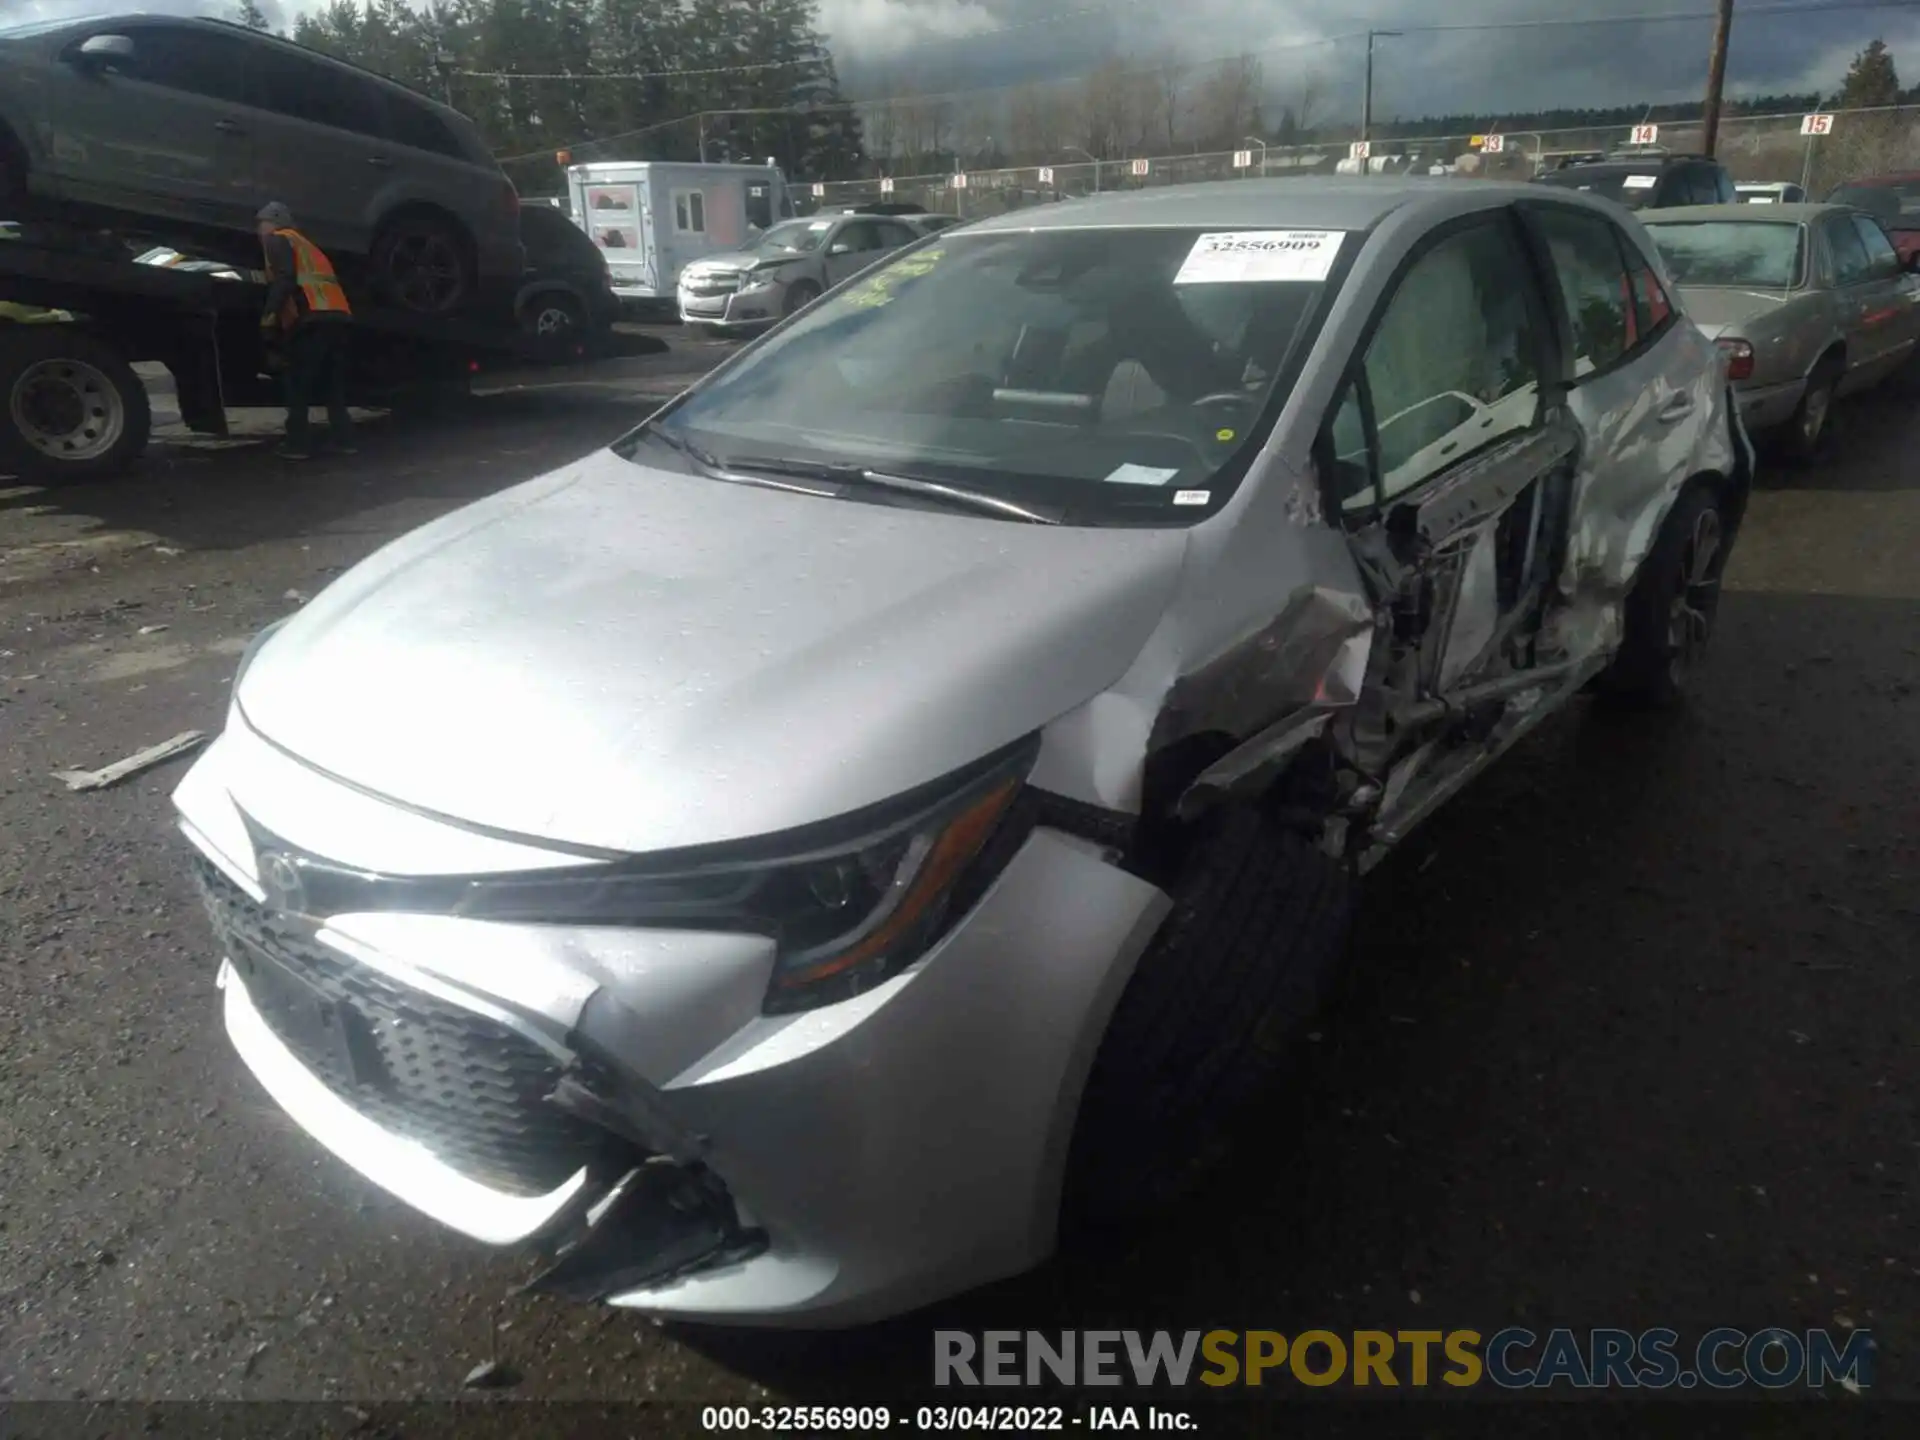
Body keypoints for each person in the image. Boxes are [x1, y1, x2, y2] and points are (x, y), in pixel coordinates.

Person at [256, 201, 355, 460]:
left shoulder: (277, 239)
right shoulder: (306, 244)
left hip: (312, 318)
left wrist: (268, 316)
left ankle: (297, 445)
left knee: (298, 382)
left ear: (274, 222)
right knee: (332, 385)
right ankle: (344, 441)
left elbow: (285, 278)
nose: (258, 230)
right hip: (337, 316)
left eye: (261, 223)